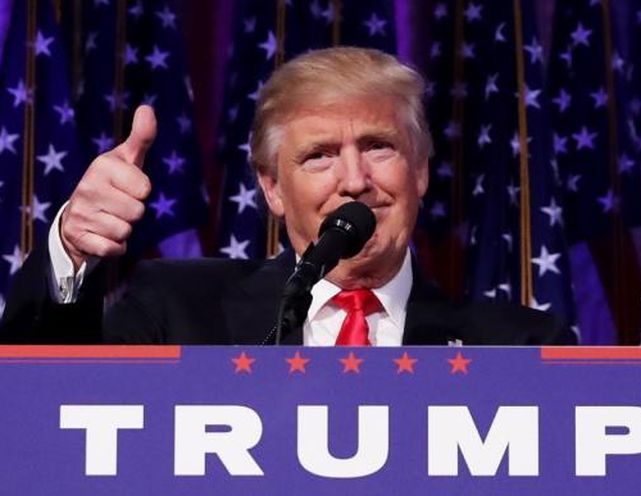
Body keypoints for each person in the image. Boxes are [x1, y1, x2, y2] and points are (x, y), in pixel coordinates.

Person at [0, 47, 574, 345]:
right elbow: (43, 397)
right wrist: (71, 247)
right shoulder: (178, 310)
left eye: (378, 147)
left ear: (420, 171)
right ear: (272, 188)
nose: (353, 180)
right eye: (318, 155)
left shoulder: (518, 345)